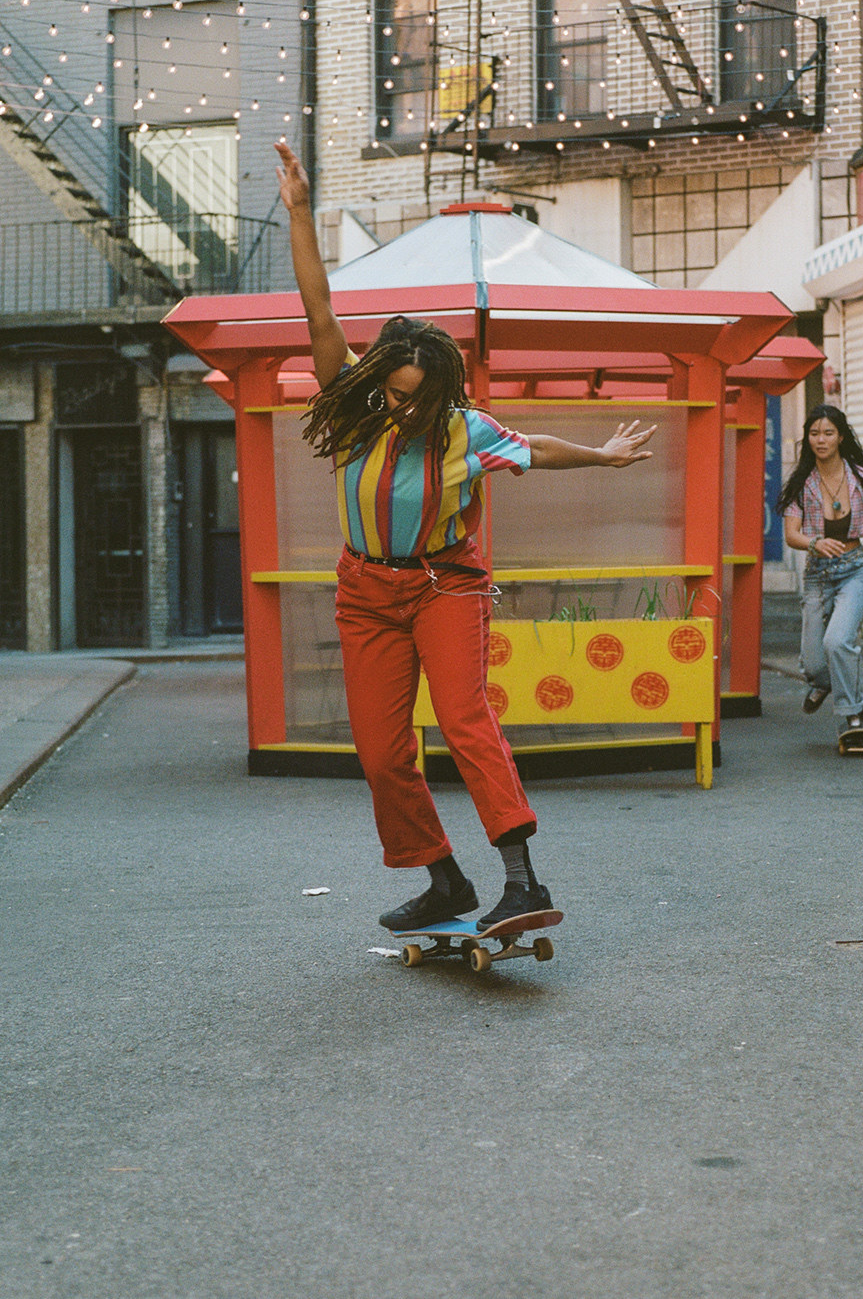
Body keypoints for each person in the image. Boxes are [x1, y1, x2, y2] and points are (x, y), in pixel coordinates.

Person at [273, 143, 658, 932]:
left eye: (419, 396)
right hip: (366, 593)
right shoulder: (352, 406)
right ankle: (445, 879)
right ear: (379, 375)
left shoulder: (464, 430)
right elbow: (318, 310)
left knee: (464, 717)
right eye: (395, 389)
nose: (405, 407)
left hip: (446, 585)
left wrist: (604, 455)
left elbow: (538, 448)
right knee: (382, 755)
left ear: (442, 389)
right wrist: (301, 213)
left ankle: (524, 879)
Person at [780, 404, 863, 744]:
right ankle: (822, 683)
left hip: (854, 571)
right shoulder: (802, 482)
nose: (821, 440)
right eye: (814, 433)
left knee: (838, 642)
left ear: (841, 437)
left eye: (828, 433)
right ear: (808, 438)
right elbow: (791, 534)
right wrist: (815, 543)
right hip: (818, 574)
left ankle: (854, 715)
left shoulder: (861, 478)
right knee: (814, 663)